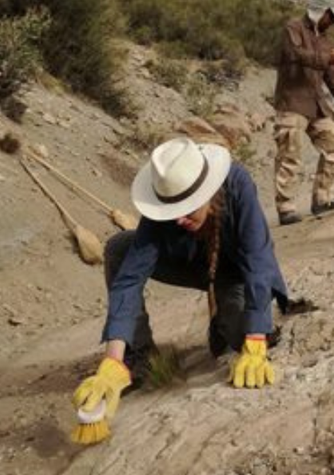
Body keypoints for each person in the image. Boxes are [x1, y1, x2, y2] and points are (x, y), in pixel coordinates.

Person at [72, 138, 289, 432]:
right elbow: (129, 280)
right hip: (188, 265)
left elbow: (258, 259)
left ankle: (225, 321)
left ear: (208, 192)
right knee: (119, 248)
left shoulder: (237, 184)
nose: (179, 219)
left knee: (238, 338)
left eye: (188, 210)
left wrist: (255, 336)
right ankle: (139, 359)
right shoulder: (163, 202)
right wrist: (112, 363)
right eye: (171, 212)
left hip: (233, 271)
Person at [273, 0, 334, 225]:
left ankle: (322, 198)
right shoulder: (293, 29)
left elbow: (332, 76)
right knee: (290, 155)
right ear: (322, 12)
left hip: (317, 104)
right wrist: (328, 58)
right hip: (292, 102)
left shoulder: (328, 42)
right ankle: (286, 208)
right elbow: (298, 55)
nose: (333, 22)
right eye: (332, 16)